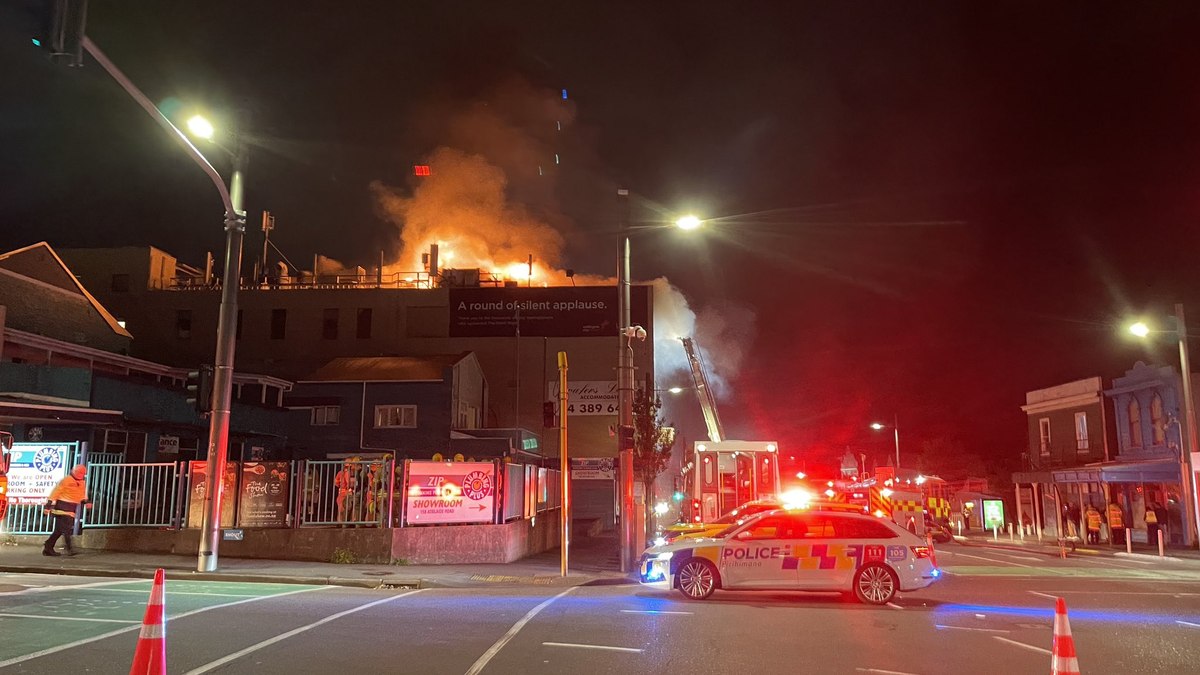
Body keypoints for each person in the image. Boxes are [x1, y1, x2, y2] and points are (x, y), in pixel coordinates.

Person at [43, 464, 90, 557]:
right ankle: (69, 548)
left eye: (83, 473)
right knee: (66, 529)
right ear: (74, 471)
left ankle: (48, 547)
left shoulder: (81, 482)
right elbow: (55, 492)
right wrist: (48, 506)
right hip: (62, 507)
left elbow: (82, 494)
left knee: (59, 530)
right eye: (80, 473)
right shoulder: (66, 480)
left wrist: (86, 502)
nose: (81, 475)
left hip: (71, 508)